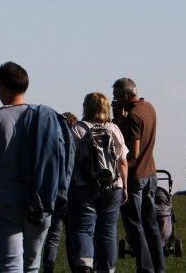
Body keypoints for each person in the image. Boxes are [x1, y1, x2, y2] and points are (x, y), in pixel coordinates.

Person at [0, 62, 70, 273]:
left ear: (4, 88)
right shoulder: (45, 118)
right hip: (40, 200)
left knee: (9, 265)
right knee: (32, 266)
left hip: (3, 200)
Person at [66, 92, 128, 273]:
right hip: (113, 186)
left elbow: (71, 161)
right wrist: (124, 185)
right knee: (108, 232)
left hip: (85, 186)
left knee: (84, 229)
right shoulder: (114, 129)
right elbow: (123, 161)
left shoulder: (77, 129)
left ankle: (85, 264)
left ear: (86, 107)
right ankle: (107, 269)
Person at [112, 77, 164, 273]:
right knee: (151, 225)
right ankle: (159, 267)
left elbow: (133, 152)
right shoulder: (149, 108)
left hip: (135, 176)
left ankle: (145, 268)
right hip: (151, 172)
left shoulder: (133, 116)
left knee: (134, 226)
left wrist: (120, 165)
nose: (115, 100)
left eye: (117, 96)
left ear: (126, 95)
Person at [41, 112, 77, 273]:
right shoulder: (76, 143)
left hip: (57, 194)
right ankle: (75, 266)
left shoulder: (53, 144)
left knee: (53, 236)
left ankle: (48, 266)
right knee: (73, 236)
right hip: (74, 195)